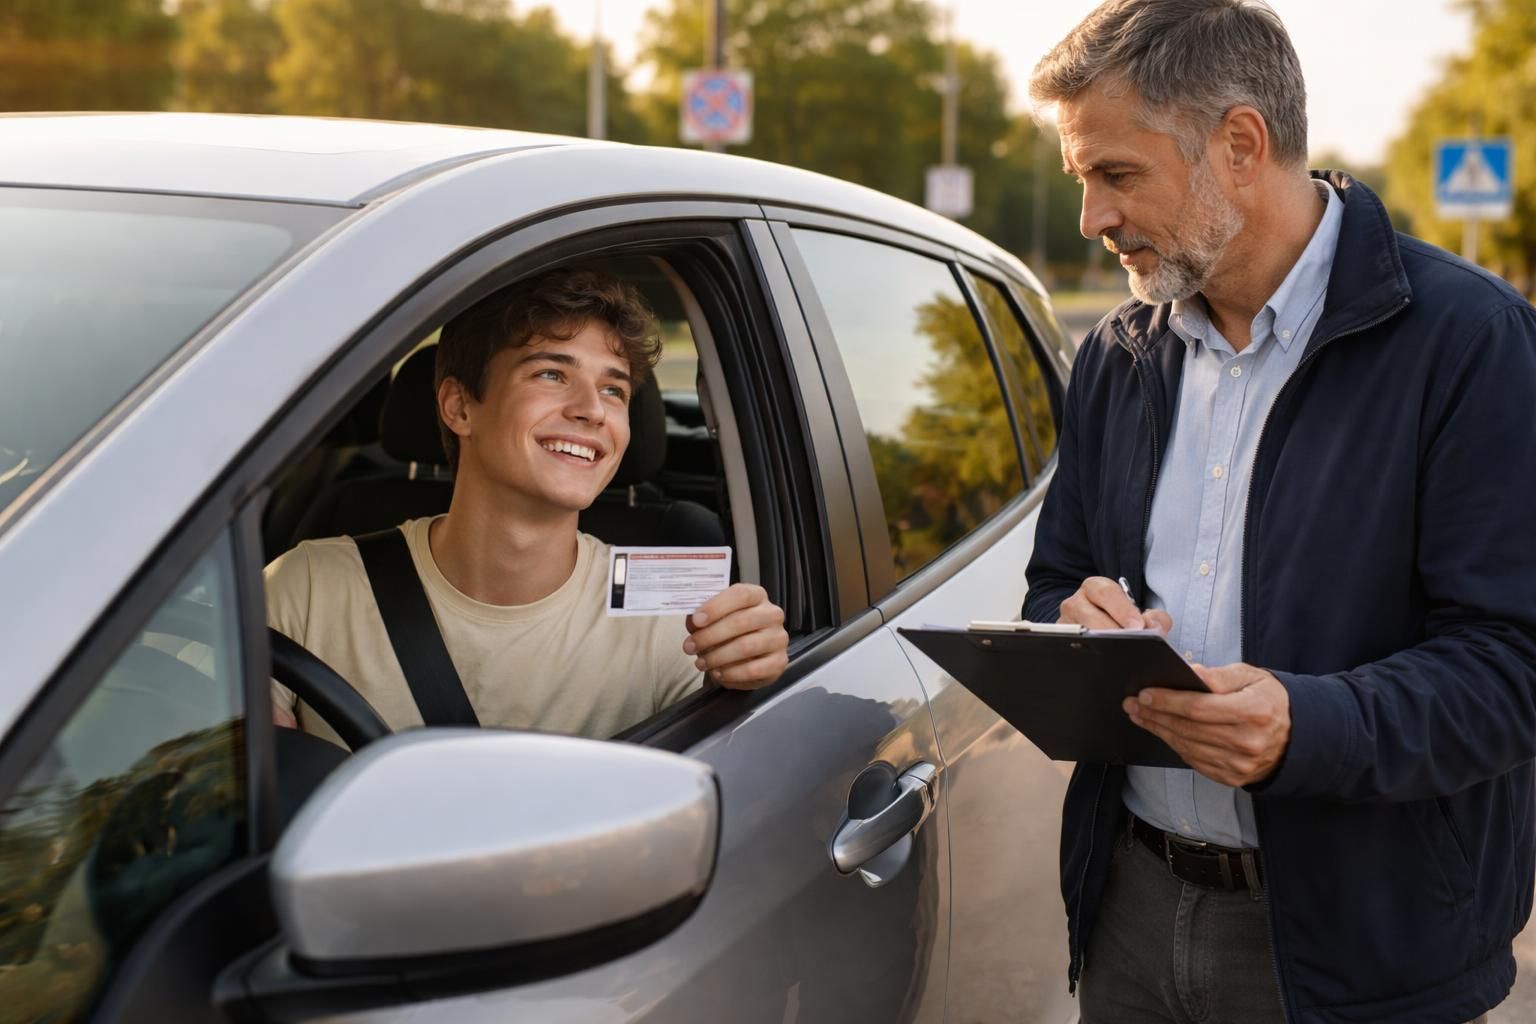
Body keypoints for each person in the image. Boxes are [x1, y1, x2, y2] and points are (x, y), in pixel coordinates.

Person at [1022, 2, 1536, 1022]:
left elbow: (1514, 663)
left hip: (1365, 953)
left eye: (1116, 174)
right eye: (1082, 181)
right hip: (1129, 910)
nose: (1092, 219)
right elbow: (1051, 584)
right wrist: (1069, 628)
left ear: (1241, 144)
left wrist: (1309, 725)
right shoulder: (1116, 359)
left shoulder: (1473, 345)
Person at [268, 268, 789, 744]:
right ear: (459, 407)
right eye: (551, 375)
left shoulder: (675, 620)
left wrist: (753, 686)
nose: (590, 410)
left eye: (614, 389)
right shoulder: (307, 586)